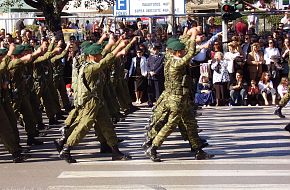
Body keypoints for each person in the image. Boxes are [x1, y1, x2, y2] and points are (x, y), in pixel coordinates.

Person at [147, 43, 164, 107]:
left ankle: (158, 102)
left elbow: (161, 65)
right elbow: (148, 65)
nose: (155, 51)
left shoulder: (161, 57)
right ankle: (150, 102)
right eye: (154, 49)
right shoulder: (150, 57)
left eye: (156, 49)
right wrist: (150, 71)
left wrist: (155, 72)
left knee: (158, 90)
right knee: (150, 90)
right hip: (150, 75)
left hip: (158, 75)